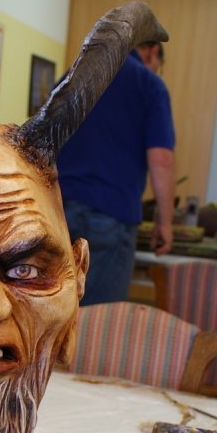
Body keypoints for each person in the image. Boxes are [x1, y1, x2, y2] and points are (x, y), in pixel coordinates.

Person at [56, 40, 176, 305]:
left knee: (58, 310)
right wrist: (165, 222)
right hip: (109, 218)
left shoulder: (74, 76)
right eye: (159, 66)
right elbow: (162, 160)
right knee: (100, 317)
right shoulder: (149, 85)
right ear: (152, 51)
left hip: (57, 213)